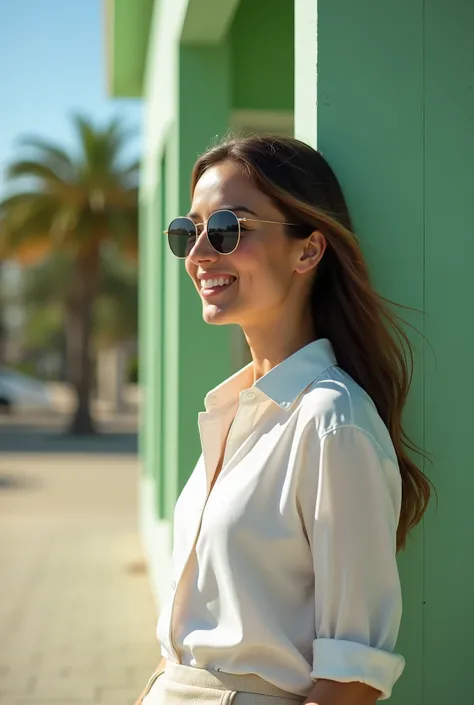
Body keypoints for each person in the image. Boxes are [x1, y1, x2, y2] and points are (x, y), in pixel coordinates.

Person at [135, 135, 431, 705]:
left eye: (227, 228)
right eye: (186, 232)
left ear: (308, 251)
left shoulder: (330, 421)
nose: (199, 253)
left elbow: (353, 676)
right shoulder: (233, 410)